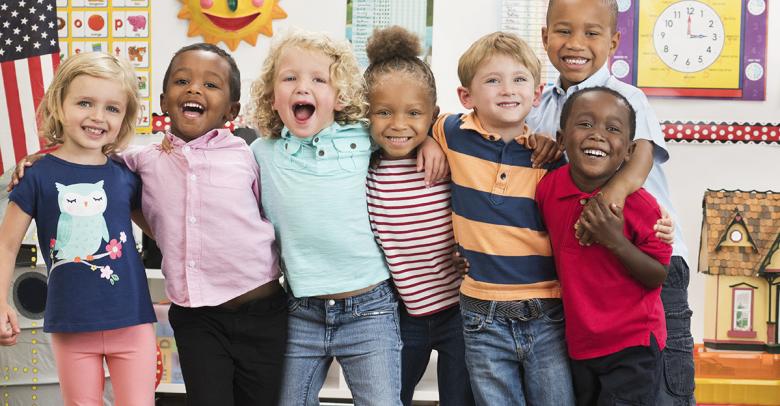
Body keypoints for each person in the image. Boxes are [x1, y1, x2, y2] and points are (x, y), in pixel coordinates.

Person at [12, 43, 289, 406]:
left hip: (263, 311)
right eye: (182, 80)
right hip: (198, 319)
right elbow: (89, 160)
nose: (194, 89)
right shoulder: (141, 160)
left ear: (232, 110)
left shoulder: (249, 155)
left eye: (210, 85)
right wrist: (41, 159)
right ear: (163, 99)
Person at [248, 30, 446, 406]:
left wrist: (432, 137)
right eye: (290, 78)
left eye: (318, 80)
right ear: (272, 96)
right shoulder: (261, 153)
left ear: (340, 96)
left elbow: (406, 123)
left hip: (370, 310)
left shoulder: (362, 137)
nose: (302, 87)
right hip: (301, 310)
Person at [527, 0, 695, 403]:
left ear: (614, 41)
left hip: (651, 259)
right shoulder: (541, 108)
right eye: (564, 31)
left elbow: (640, 156)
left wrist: (602, 207)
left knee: (661, 387)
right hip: (591, 276)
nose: (576, 43)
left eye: (592, 33)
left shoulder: (625, 96)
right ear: (545, 36)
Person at [0, 52, 157, 405]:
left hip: (131, 321)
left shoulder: (125, 176)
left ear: (125, 117)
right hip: (71, 324)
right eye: (85, 102)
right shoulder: (37, 176)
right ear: (59, 103)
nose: (98, 117)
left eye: (112, 108)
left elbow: (162, 231)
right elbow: (6, 245)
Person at [431, 31, 573, 405]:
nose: (507, 89)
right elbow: (420, 120)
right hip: (481, 313)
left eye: (519, 79)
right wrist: (429, 143)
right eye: (492, 80)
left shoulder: (551, 159)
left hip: (546, 310)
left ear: (537, 92)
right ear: (467, 96)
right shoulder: (452, 133)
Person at [536, 86, 671, 405]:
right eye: (585, 124)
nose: (598, 135)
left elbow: (657, 276)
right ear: (560, 137)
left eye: (613, 129)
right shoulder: (547, 189)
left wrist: (615, 241)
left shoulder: (643, 208)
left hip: (632, 345)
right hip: (579, 343)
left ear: (627, 151)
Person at [362, 26, 475, 406]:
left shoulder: (446, 156)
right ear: (367, 115)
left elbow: (475, 123)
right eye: (383, 112)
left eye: (413, 113)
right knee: (394, 396)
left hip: (459, 310)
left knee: (459, 398)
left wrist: (433, 138)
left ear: (432, 115)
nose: (398, 124)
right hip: (402, 313)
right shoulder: (364, 164)